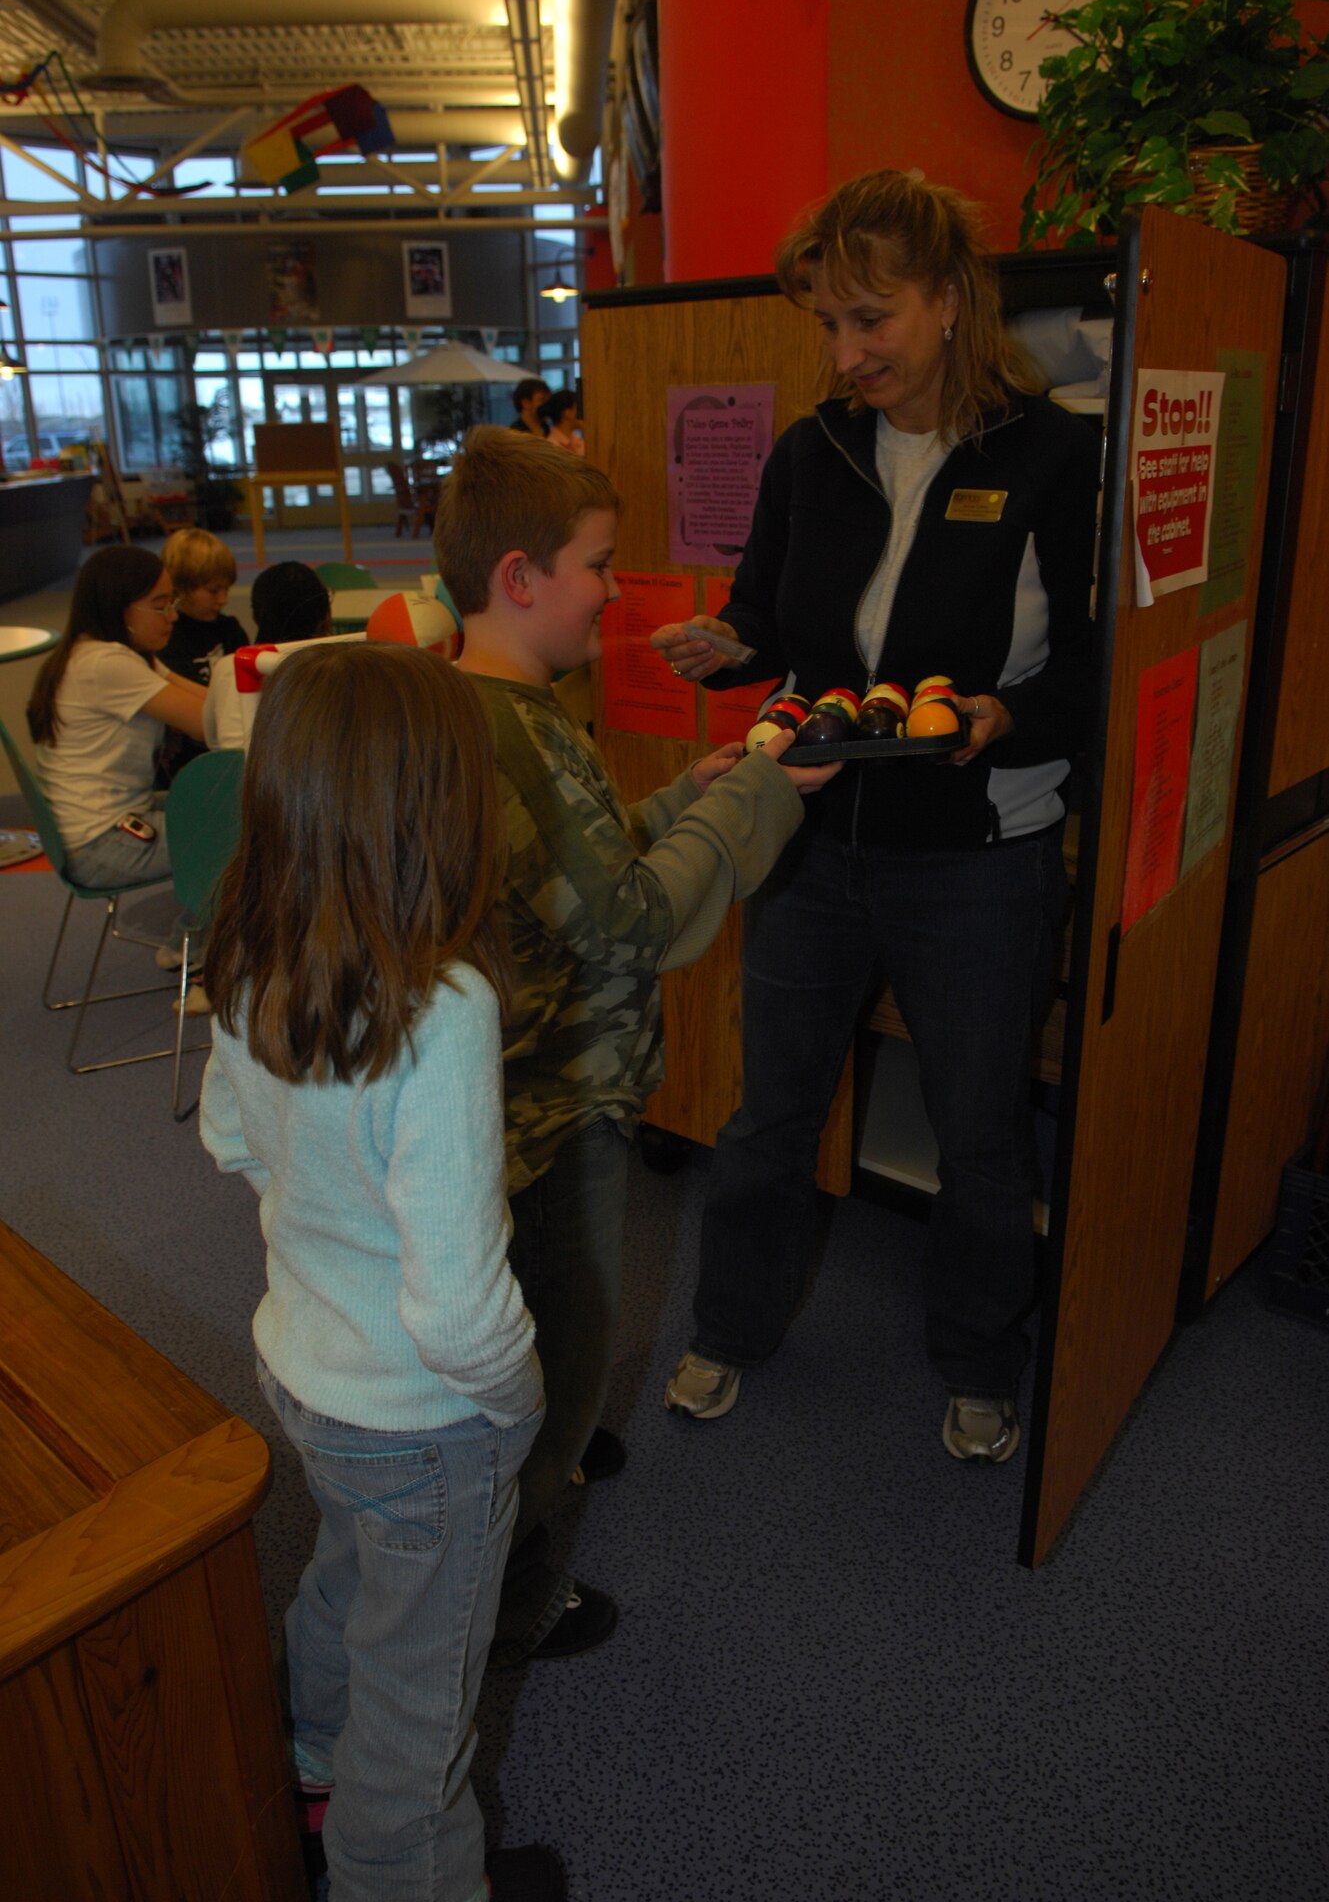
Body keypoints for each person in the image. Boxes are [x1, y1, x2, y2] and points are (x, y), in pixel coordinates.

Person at [650, 168, 1100, 1464]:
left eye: (871, 319)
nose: (847, 355)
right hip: (816, 843)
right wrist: (718, 645)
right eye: (828, 327)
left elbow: (1086, 668)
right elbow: (768, 620)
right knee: (767, 1117)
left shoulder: (1054, 454)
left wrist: (1002, 722)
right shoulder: (815, 451)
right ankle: (731, 1328)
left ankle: (976, 1361)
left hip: (978, 859)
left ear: (949, 301)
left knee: (978, 1136)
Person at [436, 426, 839, 1660]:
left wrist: (688, 793)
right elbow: (634, 920)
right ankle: (517, 1586)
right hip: (557, 1097)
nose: (613, 592)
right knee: (565, 1310)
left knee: (559, 1305)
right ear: (520, 576)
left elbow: (577, 865)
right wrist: (759, 796)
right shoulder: (519, 726)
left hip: (519, 1087)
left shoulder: (479, 703)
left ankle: (554, 1436)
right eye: (598, 565)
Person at [199, 643, 566, 1902]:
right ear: (437, 801)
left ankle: (304, 1766)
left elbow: (230, 1134)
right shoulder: (441, 998)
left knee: (347, 1574)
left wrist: (324, 1224)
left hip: (302, 1369)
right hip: (424, 1413)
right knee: (420, 1720)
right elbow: (463, 1306)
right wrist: (519, 1404)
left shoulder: (248, 947)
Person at [27, 544, 207, 895]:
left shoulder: (102, 652)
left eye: (172, 603)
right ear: (119, 608)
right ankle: (193, 942)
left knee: (224, 803)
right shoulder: (106, 664)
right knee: (246, 834)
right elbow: (207, 722)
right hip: (102, 845)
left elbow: (207, 699)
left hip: (101, 829)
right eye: (160, 605)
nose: (172, 616)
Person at [203, 560, 332, 752]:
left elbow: (212, 741)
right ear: (324, 616)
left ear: (255, 616)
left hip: (229, 778)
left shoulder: (228, 666)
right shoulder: (329, 671)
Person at [159, 527, 248, 687]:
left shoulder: (230, 629)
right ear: (181, 588)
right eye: (213, 591)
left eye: (226, 589)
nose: (223, 600)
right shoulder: (168, 639)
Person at [538, 388, 585, 455]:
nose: (584, 414)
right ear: (567, 413)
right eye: (579, 409)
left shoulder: (579, 442)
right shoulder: (551, 448)